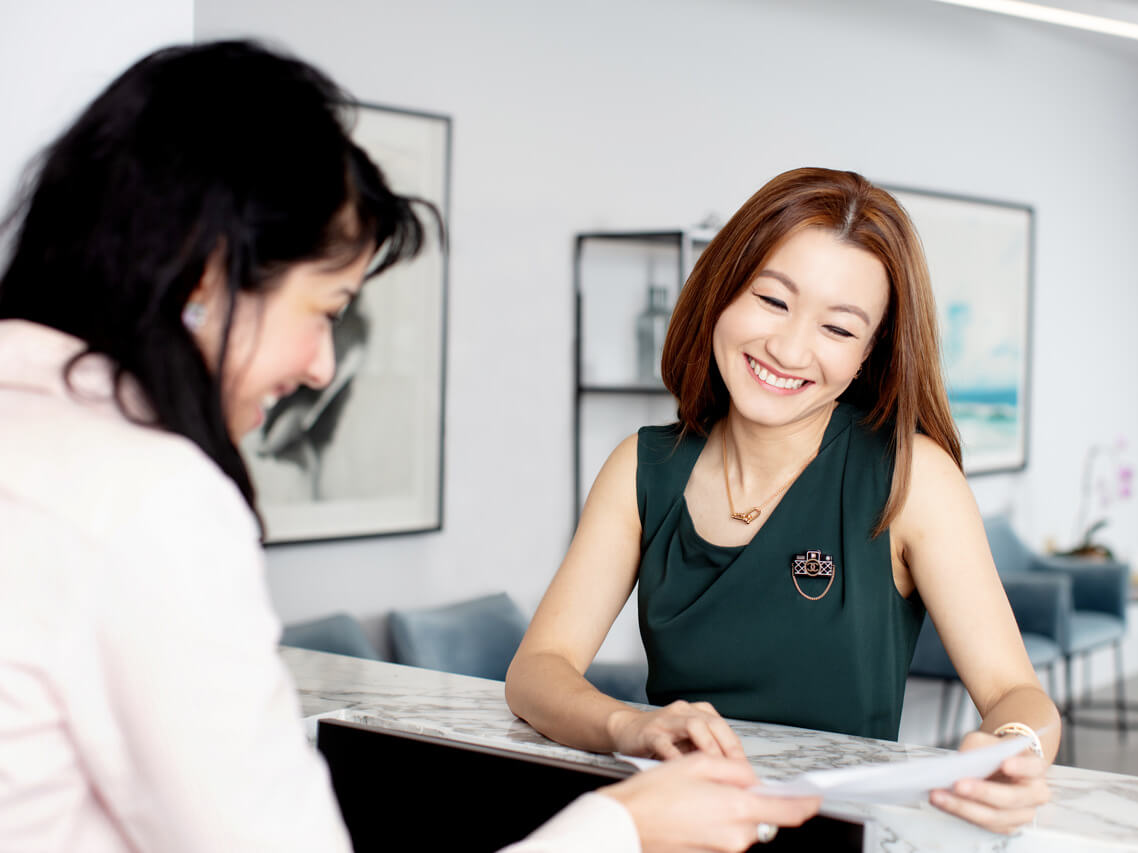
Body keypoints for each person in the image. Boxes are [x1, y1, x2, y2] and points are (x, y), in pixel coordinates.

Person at [0, 41, 818, 852]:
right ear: (207, 279)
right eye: (327, 307)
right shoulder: (149, 499)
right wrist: (628, 825)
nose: (322, 366)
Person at [506, 167, 1058, 835]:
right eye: (772, 300)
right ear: (722, 290)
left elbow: (1012, 691)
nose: (790, 348)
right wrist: (633, 723)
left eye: (839, 328)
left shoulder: (912, 479)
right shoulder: (641, 469)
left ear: (868, 356)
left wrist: (1018, 748)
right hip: (680, 836)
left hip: (843, 837)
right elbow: (538, 670)